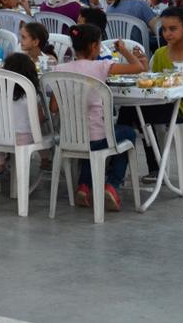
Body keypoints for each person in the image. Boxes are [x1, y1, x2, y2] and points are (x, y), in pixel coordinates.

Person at [54, 24, 145, 210]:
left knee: (92, 142)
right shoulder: (102, 66)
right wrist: (123, 50)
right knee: (127, 134)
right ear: (95, 46)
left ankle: (84, 186)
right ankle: (112, 185)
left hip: (70, 138)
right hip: (97, 137)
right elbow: (138, 67)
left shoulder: (59, 69)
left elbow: (54, 107)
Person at [128, 7, 183, 183]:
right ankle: (127, 165)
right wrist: (143, 67)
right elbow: (153, 86)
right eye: (164, 29)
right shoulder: (159, 54)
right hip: (159, 105)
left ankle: (152, 167)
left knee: (137, 114)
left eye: (173, 29)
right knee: (132, 112)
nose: (167, 34)